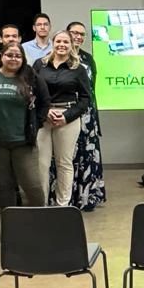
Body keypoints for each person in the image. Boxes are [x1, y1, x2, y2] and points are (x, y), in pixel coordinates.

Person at [0, 42, 48, 209]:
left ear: (23, 59)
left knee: (33, 186)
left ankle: (41, 220)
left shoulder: (31, 76)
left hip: (23, 143)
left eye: (18, 56)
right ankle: (10, 223)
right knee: (4, 186)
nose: (13, 59)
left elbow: (45, 102)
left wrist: (36, 124)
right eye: (9, 55)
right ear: (1, 56)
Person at [32, 30, 93, 206]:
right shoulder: (40, 65)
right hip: (43, 118)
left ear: (71, 45)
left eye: (66, 42)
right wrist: (45, 111)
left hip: (68, 119)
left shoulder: (78, 69)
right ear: (53, 43)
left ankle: (62, 205)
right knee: (41, 164)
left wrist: (66, 116)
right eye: (58, 41)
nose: (62, 45)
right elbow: (31, 92)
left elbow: (85, 99)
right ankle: (41, 205)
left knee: (64, 163)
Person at [57, 21, 106, 211]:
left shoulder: (88, 58)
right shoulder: (58, 58)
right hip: (66, 114)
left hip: (87, 115)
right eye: (74, 33)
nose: (78, 37)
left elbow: (91, 91)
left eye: (82, 34)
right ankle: (65, 199)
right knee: (67, 158)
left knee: (86, 156)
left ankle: (86, 197)